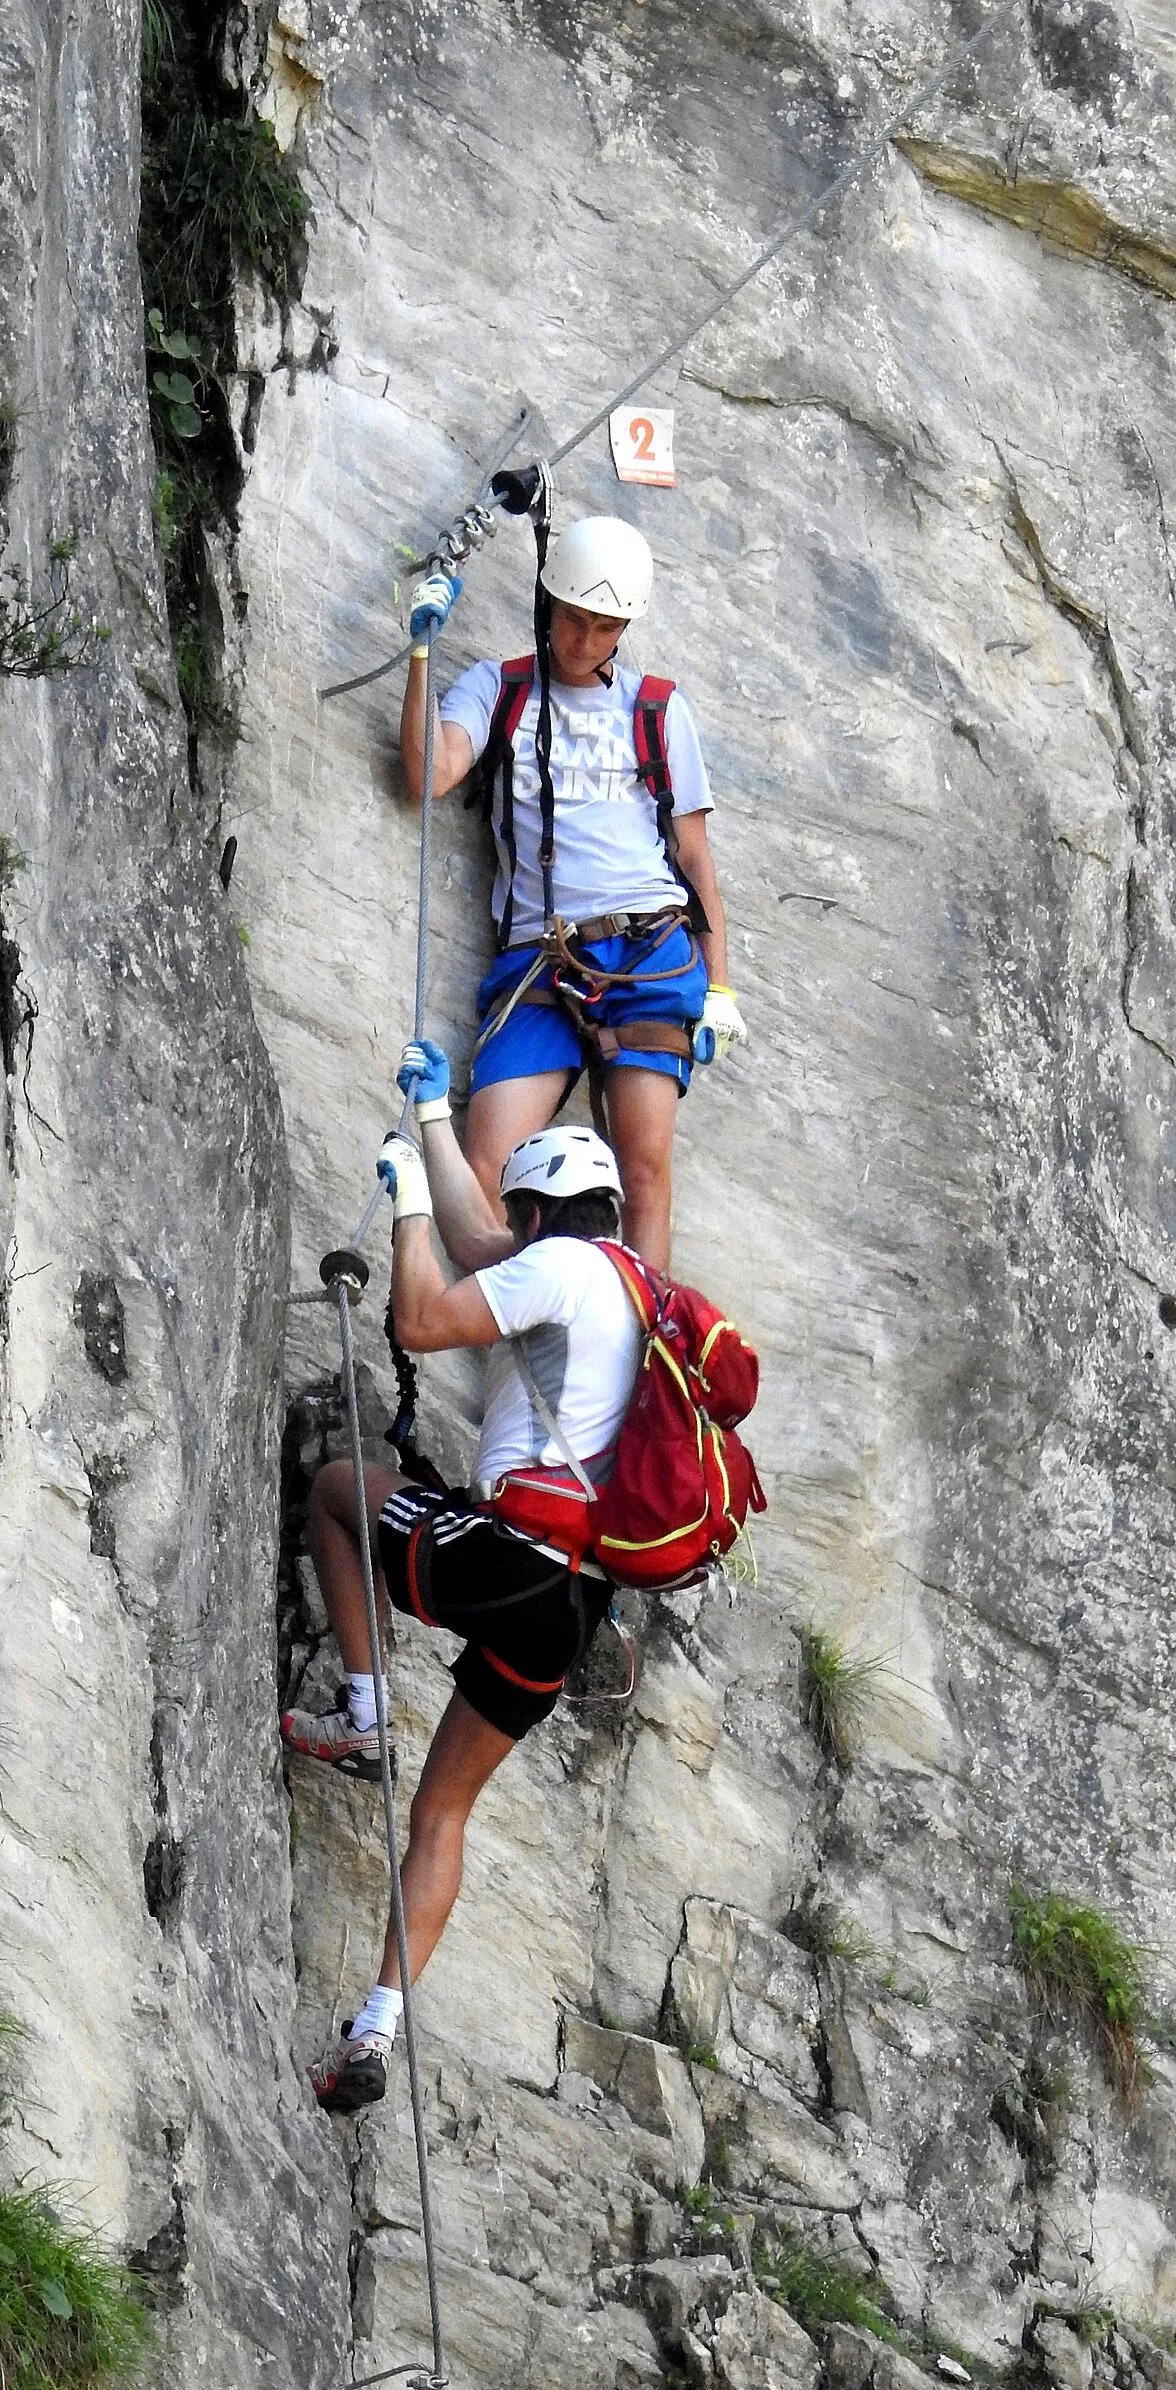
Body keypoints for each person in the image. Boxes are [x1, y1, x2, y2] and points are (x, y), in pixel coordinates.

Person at [282, 1089, 643, 2114]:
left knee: (339, 1494)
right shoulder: (625, 1284)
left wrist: (401, 1208)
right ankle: (376, 2026)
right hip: (570, 1607)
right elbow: (481, 1241)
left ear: (536, 1216)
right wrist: (434, 1121)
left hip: (511, 1556)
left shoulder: (556, 1268)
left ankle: (359, 1716)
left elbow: (422, 1317)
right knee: (439, 1810)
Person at [400, 514, 742, 1272]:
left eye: (604, 627)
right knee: (487, 1163)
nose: (584, 641)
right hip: (542, 960)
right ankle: (520, 1334)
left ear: (625, 627)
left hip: (649, 948)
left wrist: (719, 984)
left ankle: (641, 1353)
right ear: (547, 603)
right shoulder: (500, 689)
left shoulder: (656, 709)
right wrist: (421, 652)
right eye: (573, 620)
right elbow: (427, 775)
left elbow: (692, 855)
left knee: (644, 1172)